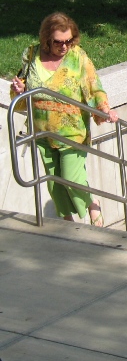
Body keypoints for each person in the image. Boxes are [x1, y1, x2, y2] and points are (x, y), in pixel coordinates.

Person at [10, 12, 118, 226]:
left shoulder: (78, 57)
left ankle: (91, 203)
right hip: (41, 128)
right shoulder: (32, 54)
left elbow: (94, 85)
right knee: (54, 183)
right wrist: (19, 89)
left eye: (69, 41)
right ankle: (67, 224)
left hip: (72, 130)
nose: (64, 46)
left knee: (71, 177)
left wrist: (104, 108)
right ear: (47, 39)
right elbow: (22, 84)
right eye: (59, 42)